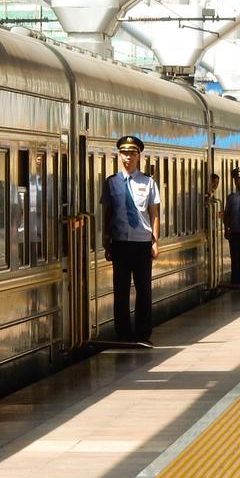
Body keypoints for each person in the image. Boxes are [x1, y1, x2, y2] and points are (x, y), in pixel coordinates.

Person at [100, 135, 160, 345]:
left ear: (138, 156)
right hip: (120, 243)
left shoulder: (148, 182)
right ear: (119, 155)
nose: (128, 157)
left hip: (142, 242)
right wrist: (106, 240)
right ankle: (123, 333)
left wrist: (155, 241)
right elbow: (107, 213)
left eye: (132, 153)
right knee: (121, 290)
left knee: (143, 290)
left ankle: (143, 333)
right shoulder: (111, 182)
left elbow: (154, 214)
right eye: (124, 153)